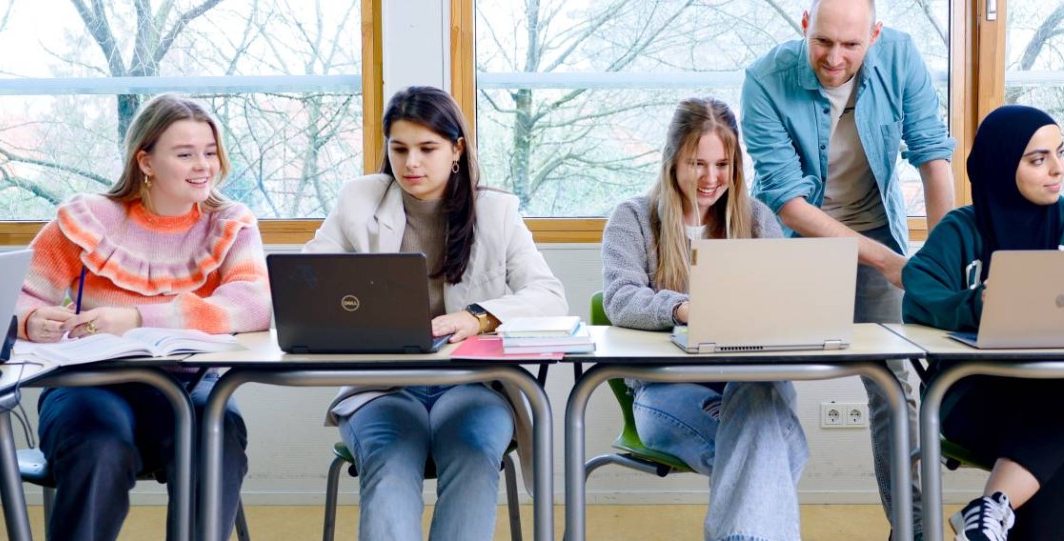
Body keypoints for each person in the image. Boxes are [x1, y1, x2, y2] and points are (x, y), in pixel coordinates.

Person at [308, 86, 566, 541]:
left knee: (471, 452)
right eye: (399, 148)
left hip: (472, 385)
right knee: (389, 460)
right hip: (382, 386)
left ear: (456, 150)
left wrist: (479, 316)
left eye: (427, 149)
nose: (411, 163)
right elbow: (307, 280)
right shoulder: (358, 200)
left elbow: (548, 295)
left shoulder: (496, 210)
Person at [741, 0, 957, 530]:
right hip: (793, 241)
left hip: (876, 229)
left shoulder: (901, 56)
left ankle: (914, 528)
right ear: (805, 25)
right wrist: (889, 262)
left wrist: (945, 254)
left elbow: (932, 156)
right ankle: (758, 522)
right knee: (759, 380)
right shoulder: (764, 79)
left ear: (875, 35)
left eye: (851, 45)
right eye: (823, 43)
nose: (834, 58)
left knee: (894, 384)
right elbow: (788, 201)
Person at [15, 93, 270, 541]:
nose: (203, 166)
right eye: (185, 154)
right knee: (99, 445)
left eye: (210, 153)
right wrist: (31, 319)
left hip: (190, 384)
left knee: (220, 434)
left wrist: (136, 317)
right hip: (89, 386)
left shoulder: (230, 223)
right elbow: (14, 295)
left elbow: (252, 306)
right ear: (146, 161)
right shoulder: (88, 218)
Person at [902, 105, 1064, 541]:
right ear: (1000, 165)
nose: (1057, 169)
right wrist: (976, 304)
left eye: (1060, 153)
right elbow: (917, 298)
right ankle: (995, 509)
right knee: (1053, 458)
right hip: (982, 400)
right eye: (1038, 159)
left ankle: (990, 508)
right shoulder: (960, 230)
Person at [601, 97, 804, 540]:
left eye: (723, 165)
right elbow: (619, 298)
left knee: (759, 425)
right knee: (777, 446)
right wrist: (683, 309)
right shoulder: (633, 218)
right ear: (672, 160)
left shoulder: (755, 220)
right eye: (698, 163)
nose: (712, 179)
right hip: (666, 389)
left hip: (749, 383)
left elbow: (784, 298)